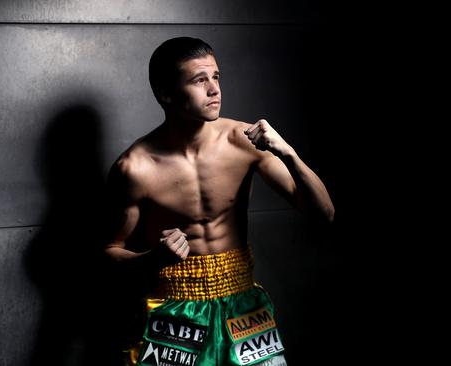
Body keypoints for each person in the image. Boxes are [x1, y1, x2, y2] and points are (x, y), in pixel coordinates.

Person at [104, 37, 334, 366]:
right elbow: (108, 252)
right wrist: (153, 259)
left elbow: (324, 214)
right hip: (174, 308)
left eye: (216, 77)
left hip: (243, 303)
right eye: (200, 80)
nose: (214, 89)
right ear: (166, 93)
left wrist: (289, 153)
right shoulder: (135, 168)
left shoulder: (245, 142)